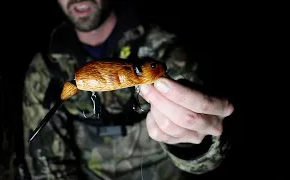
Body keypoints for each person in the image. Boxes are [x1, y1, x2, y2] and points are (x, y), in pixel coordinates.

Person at [21, 0, 235, 179]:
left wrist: (192, 143)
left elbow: (210, 158)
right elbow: (45, 161)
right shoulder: (45, 69)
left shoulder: (165, 49)